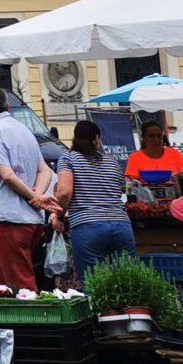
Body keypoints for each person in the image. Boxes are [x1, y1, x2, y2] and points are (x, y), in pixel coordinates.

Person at [0, 85, 59, 291]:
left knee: (23, 286)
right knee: (2, 282)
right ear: (7, 106)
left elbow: (6, 175)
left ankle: (34, 322)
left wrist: (34, 197)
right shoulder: (26, 131)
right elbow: (45, 171)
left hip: (9, 217)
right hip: (32, 219)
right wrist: (38, 197)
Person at [51, 120, 133, 282]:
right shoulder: (112, 163)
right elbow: (121, 190)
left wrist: (59, 216)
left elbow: (64, 192)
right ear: (96, 138)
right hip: (121, 225)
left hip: (87, 227)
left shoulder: (68, 159)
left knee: (94, 284)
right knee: (127, 284)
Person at [128, 121, 183, 188]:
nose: (156, 139)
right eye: (151, 136)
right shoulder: (134, 157)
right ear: (144, 138)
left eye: (159, 135)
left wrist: (178, 176)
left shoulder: (175, 154)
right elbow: (133, 181)